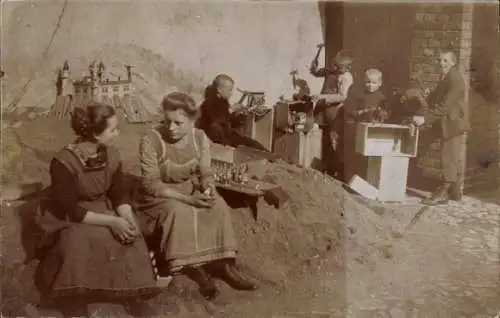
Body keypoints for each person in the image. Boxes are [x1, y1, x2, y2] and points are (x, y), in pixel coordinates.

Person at [33, 102, 161, 317]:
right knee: (77, 240)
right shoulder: (63, 161)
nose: (117, 133)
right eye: (113, 129)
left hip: (102, 206)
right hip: (70, 214)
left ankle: (130, 294)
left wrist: (126, 216)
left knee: (132, 234)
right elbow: (69, 208)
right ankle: (74, 299)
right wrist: (112, 222)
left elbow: (118, 192)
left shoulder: (111, 154)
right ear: (94, 134)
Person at [135, 92, 258, 301]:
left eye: (178, 123)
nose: (171, 128)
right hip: (161, 194)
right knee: (179, 211)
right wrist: (188, 199)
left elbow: (205, 171)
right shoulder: (151, 140)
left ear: (192, 121)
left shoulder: (200, 137)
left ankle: (223, 264)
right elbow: (151, 184)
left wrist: (208, 186)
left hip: (190, 188)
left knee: (218, 205)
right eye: (167, 121)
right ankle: (193, 269)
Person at [412, 46, 470, 205]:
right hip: (447, 121)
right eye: (440, 60)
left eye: (446, 60)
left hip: (453, 123)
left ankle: (444, 192)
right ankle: (455, 193)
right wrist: (429, 94)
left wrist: (425, 119)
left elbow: (445, 106)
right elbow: (438, 99)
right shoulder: (445, 77)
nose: (442, 63)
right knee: (450, 156)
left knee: (448, 157)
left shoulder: (455, 79)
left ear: (453, 61)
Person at [310, 49, 355, 182]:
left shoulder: (346, 77)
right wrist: (314, 66)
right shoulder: (332, 71)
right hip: (323, 110)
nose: (334, 68)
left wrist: (322, 97)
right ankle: (322, 167)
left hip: (335, 112)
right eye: (334, 64)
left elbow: (342, 96)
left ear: (347, 68)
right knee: (322, 138)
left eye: (338, 67)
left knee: (333, 140)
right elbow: (317, 72)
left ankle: (336, 172)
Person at [197, 74, 269, 152]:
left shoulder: (223, 103)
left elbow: (229, 123)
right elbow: (217, 122)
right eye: (229, 90)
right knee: (249, 146)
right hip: (218, 142)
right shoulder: (209, 103)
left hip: (227, 137)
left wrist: (243, 115)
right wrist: (231, 110)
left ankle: (272, 158)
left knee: (254, 144)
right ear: (219, 90)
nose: (231, 94)